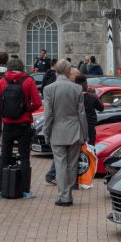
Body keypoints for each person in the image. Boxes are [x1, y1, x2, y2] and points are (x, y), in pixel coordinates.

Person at [0, 57, 42, 199]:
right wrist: (26, 109)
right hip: (24, 124)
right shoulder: (28, 81)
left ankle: (1, 190)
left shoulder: (2, 81)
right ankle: (25, 191)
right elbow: (37, 102)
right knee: (25, 157)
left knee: (4, 156)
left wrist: (5, 110)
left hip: (7, 124)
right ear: (22, 66)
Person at [43, 60, 88, 207]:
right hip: (74, 130)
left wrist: (46, 132)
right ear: (69, 72)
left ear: (56, 70)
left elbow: (48, 114)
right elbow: (82, 113)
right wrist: (85, 134)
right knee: (72, 165)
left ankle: (64, 197)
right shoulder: (77, 88)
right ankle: (68, 195)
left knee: (60, 164)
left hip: (57, 131)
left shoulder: (49, 89)